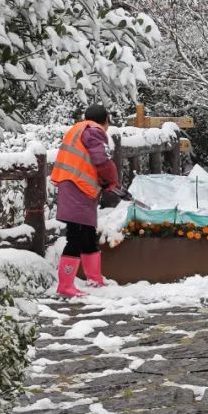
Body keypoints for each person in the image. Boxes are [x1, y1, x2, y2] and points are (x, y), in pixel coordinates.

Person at [50, 103, 128, 298]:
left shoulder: (80, 129)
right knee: (76, 237)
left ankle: (95, 279)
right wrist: (111, 181)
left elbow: (88, 162)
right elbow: (101, 160)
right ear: (106, 120)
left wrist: (105, 183)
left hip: (77, 187)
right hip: (77, 188)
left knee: (87, 234)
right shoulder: (94, 132)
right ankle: (65, 286)